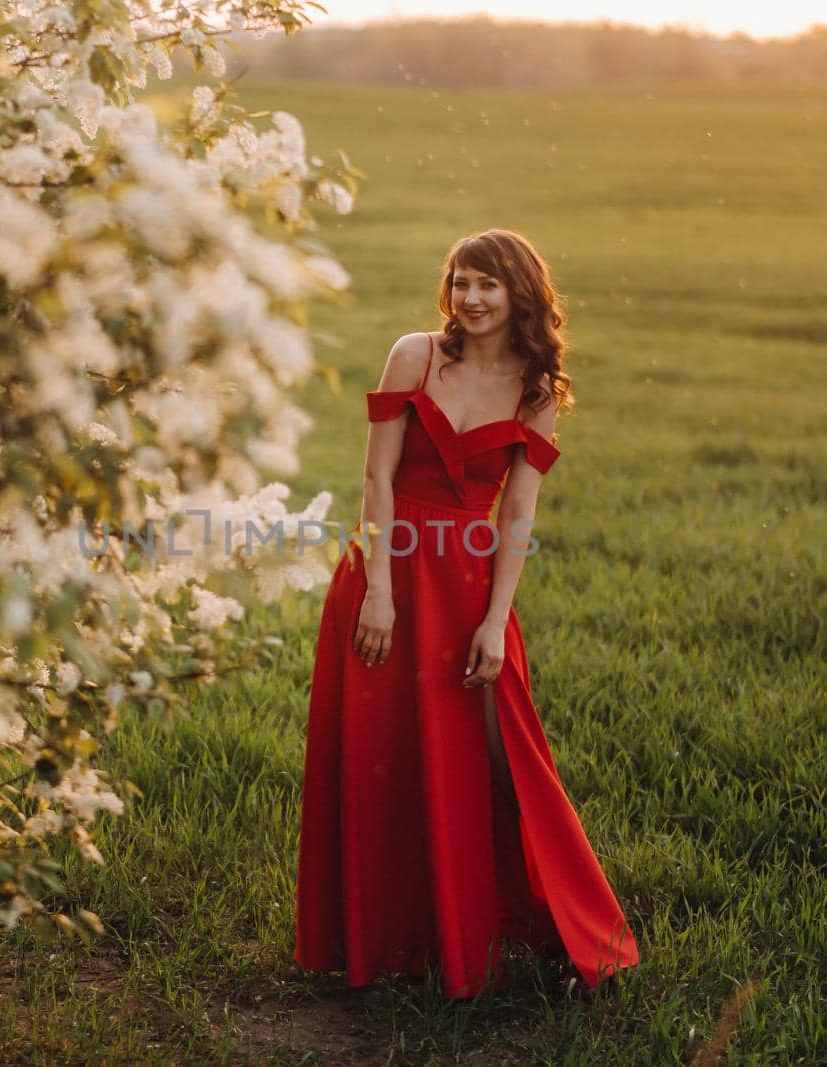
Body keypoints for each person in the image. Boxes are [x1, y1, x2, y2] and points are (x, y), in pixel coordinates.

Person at [293, 228, 640, 999]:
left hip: (470, 586)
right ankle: (387, 941)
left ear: (522, 292)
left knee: (503, 757)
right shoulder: (415, 355)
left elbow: (518, 510)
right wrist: (378, 588)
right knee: (380, 754)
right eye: (461, 282)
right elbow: (375, 481)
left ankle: (560, 929)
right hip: (385, 574)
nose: (473, 299)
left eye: (489, 284)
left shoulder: (537, 390)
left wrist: (495, 619)